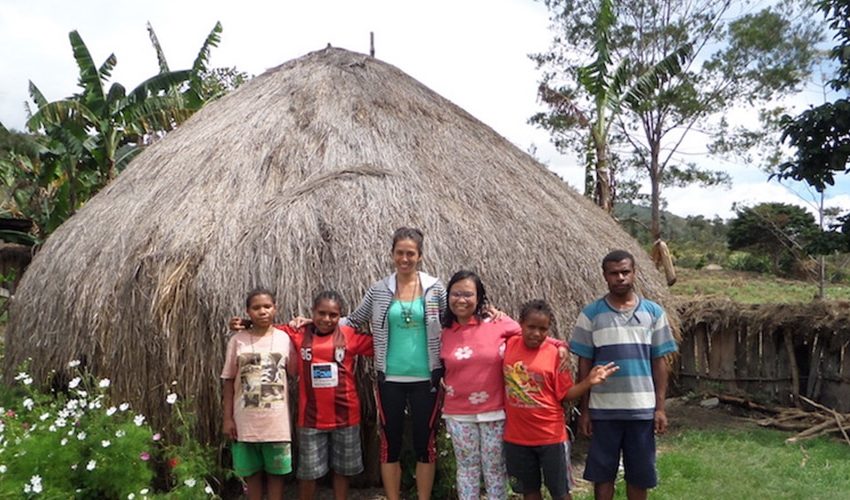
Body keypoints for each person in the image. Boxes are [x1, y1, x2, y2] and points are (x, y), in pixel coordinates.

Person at [439, 270, 568, 500]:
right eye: (455, 294)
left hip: (495, 411)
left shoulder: (497, 322)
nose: (461, 299)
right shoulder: (443, 330)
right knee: (467, 470)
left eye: (468, 294)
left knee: (495, 470)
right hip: (458, 413)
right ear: (448, 296)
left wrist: (559, 344)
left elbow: (533, 332)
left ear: (479, 298)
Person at [343, 227, 447, 500]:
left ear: (420, 256)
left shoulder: (435, 289)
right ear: (392, 255)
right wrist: (309, 324)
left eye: (410, 253)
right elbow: (352, 320)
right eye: (399, 253)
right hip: (390, 379)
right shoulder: (379, 290)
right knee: (390, 443)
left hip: (428, 378)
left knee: (426, 443)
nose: (404, 258)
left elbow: (456, 322)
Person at [570, 250, 677, 500]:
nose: (620, 277)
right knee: (602, 473)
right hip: (603, 410)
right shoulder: (591, 315)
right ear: (604, 276)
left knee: (639, 475)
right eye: (614, 273)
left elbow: (659, 361)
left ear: (634, 273)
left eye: (625, 272)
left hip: (641, 409)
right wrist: (585, 411)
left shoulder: (654, 313)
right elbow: (584, 365)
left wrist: (659, 408)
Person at [503, 299, 618, 500]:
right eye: (531, 327)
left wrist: (588, 382)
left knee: (561, 493)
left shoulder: (555, 355)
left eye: (543, 329)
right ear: (520, 323)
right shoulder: (508, 345)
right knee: (528, 491)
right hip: (516, 437)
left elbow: (565, 395)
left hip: (550, 437)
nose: (536, 333)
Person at [285, 290, 374, 500]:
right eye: (321, 313)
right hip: (310, 419)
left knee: (342, 471)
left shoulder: (349, 335)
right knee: (308, 473)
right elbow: (268, 330)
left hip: (346, 416)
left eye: (333, 315)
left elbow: (383, 344)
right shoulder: (299, 333)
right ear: (312, 313)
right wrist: (244, 324)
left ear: (340, 315)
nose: (326, 319)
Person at [221, 288, 294, 500]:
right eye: (256, 308)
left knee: (276, 474)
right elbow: (228, 380)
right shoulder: (238, 340)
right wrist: (227, 418)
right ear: (248, 311)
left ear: (275, 308)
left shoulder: (284, 339)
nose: (262, 311)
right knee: (251, 474)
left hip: (276, 423)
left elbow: (295, 371)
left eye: (267, 306)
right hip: (245, 422)